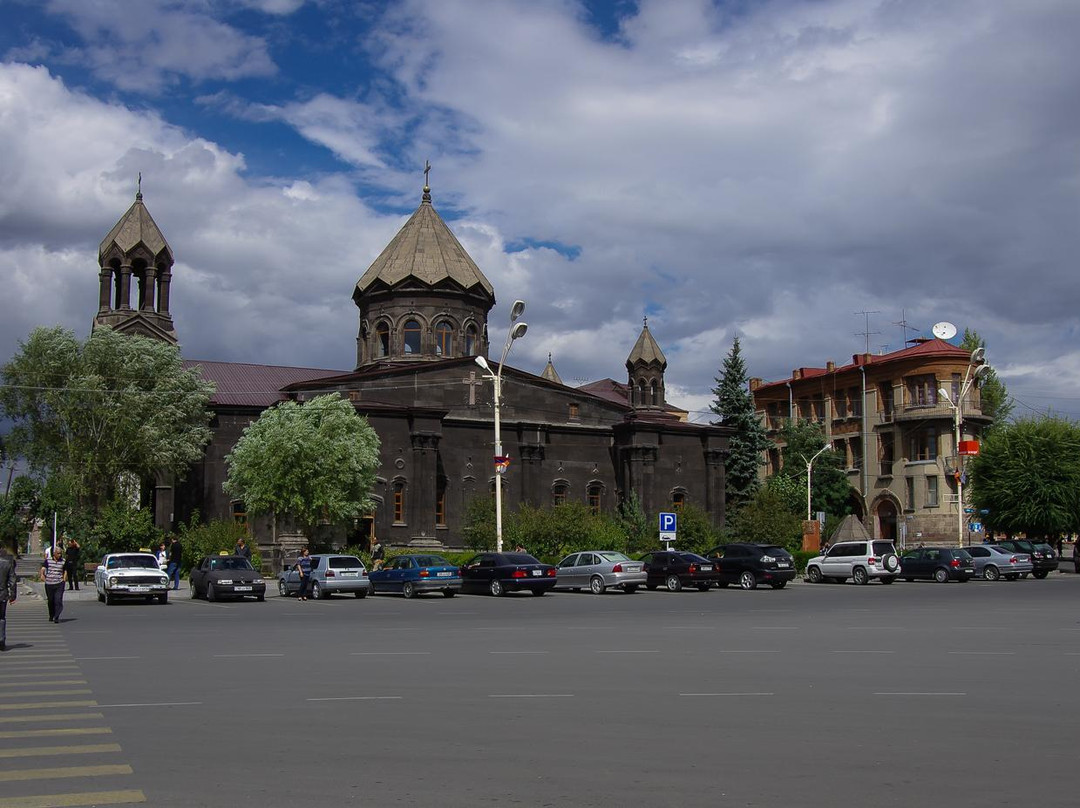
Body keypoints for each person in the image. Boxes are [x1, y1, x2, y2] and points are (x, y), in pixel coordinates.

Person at [40, 545, 66, 624]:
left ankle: (56, 616)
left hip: (59, 583)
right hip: (49, 584)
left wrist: (64, 580)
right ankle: (51, 615)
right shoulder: (48, 561)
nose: (59, 555)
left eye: (60, 553)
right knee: (51, 600)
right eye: (58, 553)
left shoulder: (63, 561)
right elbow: (43, 569)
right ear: (54, 553)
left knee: (58, 600)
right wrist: (43, 576)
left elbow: (65, 571)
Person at [0, 543, 17, 651]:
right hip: (2, 594)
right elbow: (12, 580)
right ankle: (1, 640)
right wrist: (12, 595)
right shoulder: (7, 563)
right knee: (1, 618)